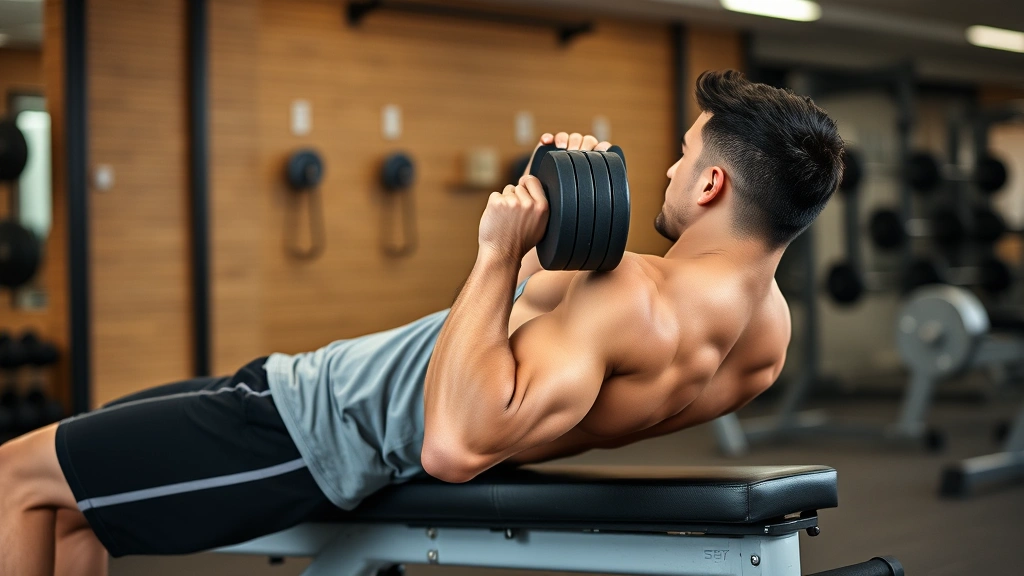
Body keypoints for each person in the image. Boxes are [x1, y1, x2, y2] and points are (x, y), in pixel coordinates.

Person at [0, 69, 844, 575]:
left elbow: (453, 443)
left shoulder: (628, 293)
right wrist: (551, 241)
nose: (667, 166)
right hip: (305, 391)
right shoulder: (763, 340)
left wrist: (495, 251)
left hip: (312, 425)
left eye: (685, 153)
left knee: (18, 476)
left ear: (710, 189)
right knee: (78, 502)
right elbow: (549, 394)